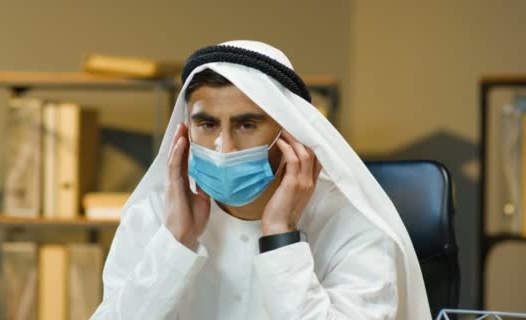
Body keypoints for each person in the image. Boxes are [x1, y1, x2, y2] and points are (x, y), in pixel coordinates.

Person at [90, 40, 431, 320]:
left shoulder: (352, 222)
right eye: (207, 125)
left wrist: (281, 236)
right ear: (185, 131)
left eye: (246, 125)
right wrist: (176, 242)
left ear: (290, 133)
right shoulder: (156, 213)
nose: (224, 146)